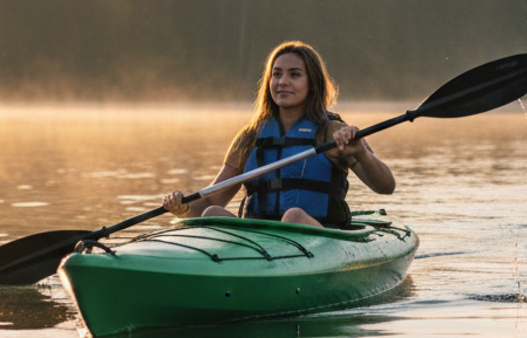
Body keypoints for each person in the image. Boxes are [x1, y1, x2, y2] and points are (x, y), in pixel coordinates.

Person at [163, 41, 395, 227]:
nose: (283, 82)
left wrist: (362, 152)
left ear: (312, 84)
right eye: (276, 74)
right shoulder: (250, 136)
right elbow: (213, 200)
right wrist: (181, 208)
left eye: (294, 75)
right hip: (259, 240)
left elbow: (386, 186)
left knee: (293, 216)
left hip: (320, 236)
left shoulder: (332, 131)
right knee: (212, 213)